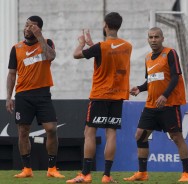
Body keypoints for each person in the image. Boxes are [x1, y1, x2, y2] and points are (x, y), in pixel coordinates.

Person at [66, 12, 132, 183]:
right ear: (119, 25)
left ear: (105, 26)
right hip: (117, 97)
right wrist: (92, 44)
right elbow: (109, 53)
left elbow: (77, 54)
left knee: (89, 132)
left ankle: (86, 174)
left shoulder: (100, 47)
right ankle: (107, 176)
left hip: (100, 95)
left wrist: (82, 44)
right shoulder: (127, 46)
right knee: (111, 134)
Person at [123, 27, 188, 182]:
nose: (153, 40)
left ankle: (187, 173)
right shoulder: (148, 58)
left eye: (156, 37)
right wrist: (140, 88)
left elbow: (175, 77)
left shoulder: (170, 53)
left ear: (162, 38)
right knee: (140, 136)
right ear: (148, 39)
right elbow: (151, 80)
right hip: (151, 106)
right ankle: (142, 173)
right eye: (151, 37)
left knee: (176, 137)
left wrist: (165, 96)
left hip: (169, 104)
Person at [6, 16, 64, 178]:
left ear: (38, 28)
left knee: (51, 129)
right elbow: (11, 74)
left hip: (43, 94)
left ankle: (52, 169)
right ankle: (27, 169)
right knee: (23, 131)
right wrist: (9, 97)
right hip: (23, 95)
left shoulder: (47, 43)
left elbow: (51, 56)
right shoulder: (16, 48)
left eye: (31, 26)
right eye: (26, 25)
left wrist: (39, 37)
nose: (27, 28)